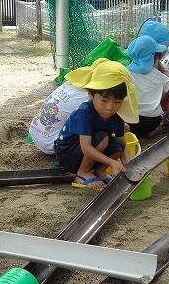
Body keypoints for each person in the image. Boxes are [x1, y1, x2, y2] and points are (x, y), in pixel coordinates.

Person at [53, 60, 139, 190]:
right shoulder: (84, 112)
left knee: (119, 145)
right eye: (104, 100)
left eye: (117, 101)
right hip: (69, 154)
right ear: (90, 94)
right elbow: (86, 147)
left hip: (92, 152)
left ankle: (99, 171)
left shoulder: (118, 115)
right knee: (102, 137)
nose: (110, 107)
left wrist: (128, 168)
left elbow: (123, 144)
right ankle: (82, 173)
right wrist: (111, 162)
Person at [29, 58, 107, 155]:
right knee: (101, 133)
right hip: (51, 144)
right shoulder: (90, 96)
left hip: (35, 134)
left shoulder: (69, 84)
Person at [125, 35, 169, 137]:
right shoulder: (158, 75)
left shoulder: (125, 72)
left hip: (130, 120)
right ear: (154, 56)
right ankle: (150, 132)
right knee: (155, 118)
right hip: (152, 121)